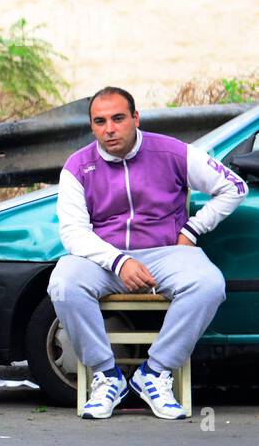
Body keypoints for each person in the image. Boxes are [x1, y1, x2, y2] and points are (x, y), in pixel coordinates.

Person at [48, 86, 245, 420]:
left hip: (166, 252)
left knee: (209, 284)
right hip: (105, 258)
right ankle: (106, 376)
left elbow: (234, 187)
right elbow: (73, 232)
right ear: (92, 126)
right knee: (64, 283)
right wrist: (118, 261)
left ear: (135, 118)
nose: (109, 128)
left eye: (118, 118)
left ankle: (154, 373)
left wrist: (192, 230)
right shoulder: (78, 165)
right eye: (100, 121)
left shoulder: (172, 152)